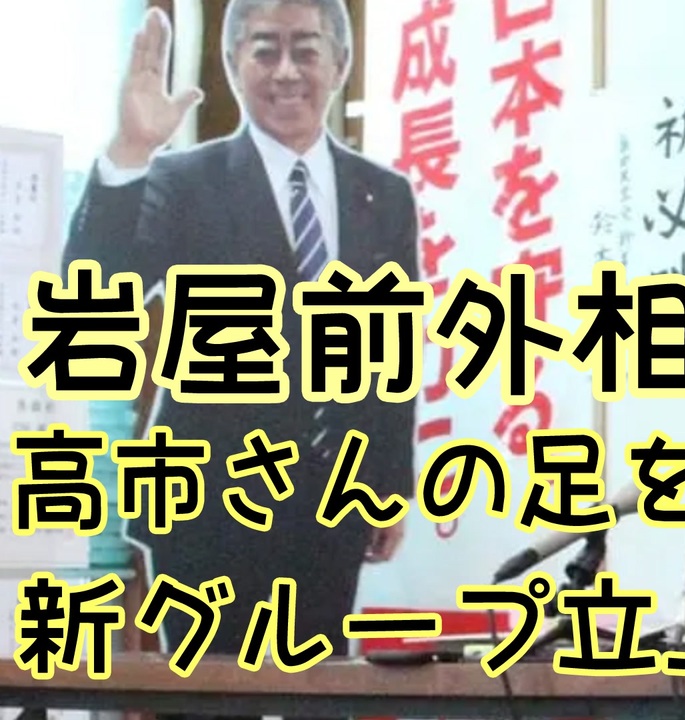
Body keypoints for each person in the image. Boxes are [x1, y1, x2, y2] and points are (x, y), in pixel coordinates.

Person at [62, 0, 418, 683]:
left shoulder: (383, 194)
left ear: (340, 62)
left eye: (305, 50)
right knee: (210, 697)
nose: (285, 71)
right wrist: (131, 152)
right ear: (232, 63)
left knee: (319, 694)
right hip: (206, 502)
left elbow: (390, 346)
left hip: (331, 502)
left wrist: (389, 484)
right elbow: (96, 283)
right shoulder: (181, 180)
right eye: (264, 50)